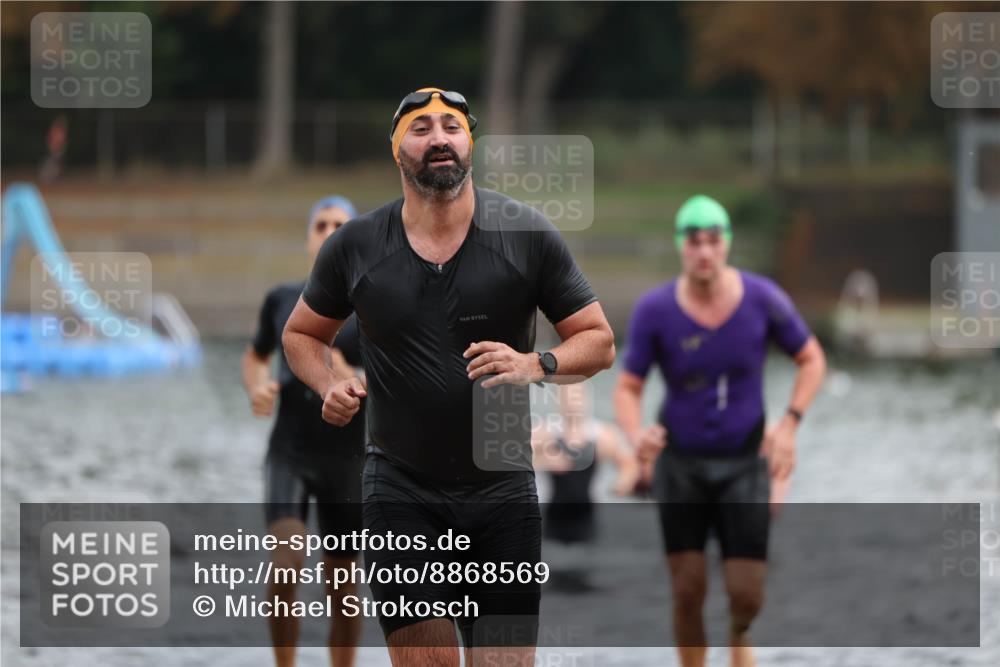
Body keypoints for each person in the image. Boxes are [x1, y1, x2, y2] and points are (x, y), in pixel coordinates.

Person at [282, 87, 615, 667]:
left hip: (504, 493)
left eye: (451, 127)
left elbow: (599, 339)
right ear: (397, 151)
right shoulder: (355, 246)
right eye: (421, 128)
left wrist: (535, 364)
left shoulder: (524, 234)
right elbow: (301, 334)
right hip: (401, 492)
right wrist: (329, 382)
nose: (438, 138)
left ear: (470, 143)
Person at [613, 195, 826, 667]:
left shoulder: (763, 299)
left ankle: (737, 635)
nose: (704, 252)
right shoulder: (656, 310)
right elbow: (627, 387)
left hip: (745, 462)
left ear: (726, 244)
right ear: (681, 247)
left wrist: (789, 424)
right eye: (694, 242)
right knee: (687, 588)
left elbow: (811, 359)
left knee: (746, 594)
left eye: (713, 241)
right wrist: (636, 436)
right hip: (681, 464)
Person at [241, 195, 365, 667]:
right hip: (289, 452)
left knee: (343, 584)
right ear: (309, 236)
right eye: (321, 224)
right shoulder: (280, 300)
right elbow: (255, 357)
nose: (330, 231)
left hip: (348, 459)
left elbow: (395, 377)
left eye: (340, 224)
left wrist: (349, 372)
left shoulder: (376, 307)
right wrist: (257, 388)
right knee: (287, 558)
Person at [533, 382, 639, 546]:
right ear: (558, 400)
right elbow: (511, 460)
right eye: (566, 396)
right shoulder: (544, 433)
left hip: (589, 518)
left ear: (586, 399)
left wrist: (622, 483)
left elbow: (629, 463)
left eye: (576, 396)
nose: (571, 402)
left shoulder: (602, 435)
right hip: (549, 519)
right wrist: (543, 461)